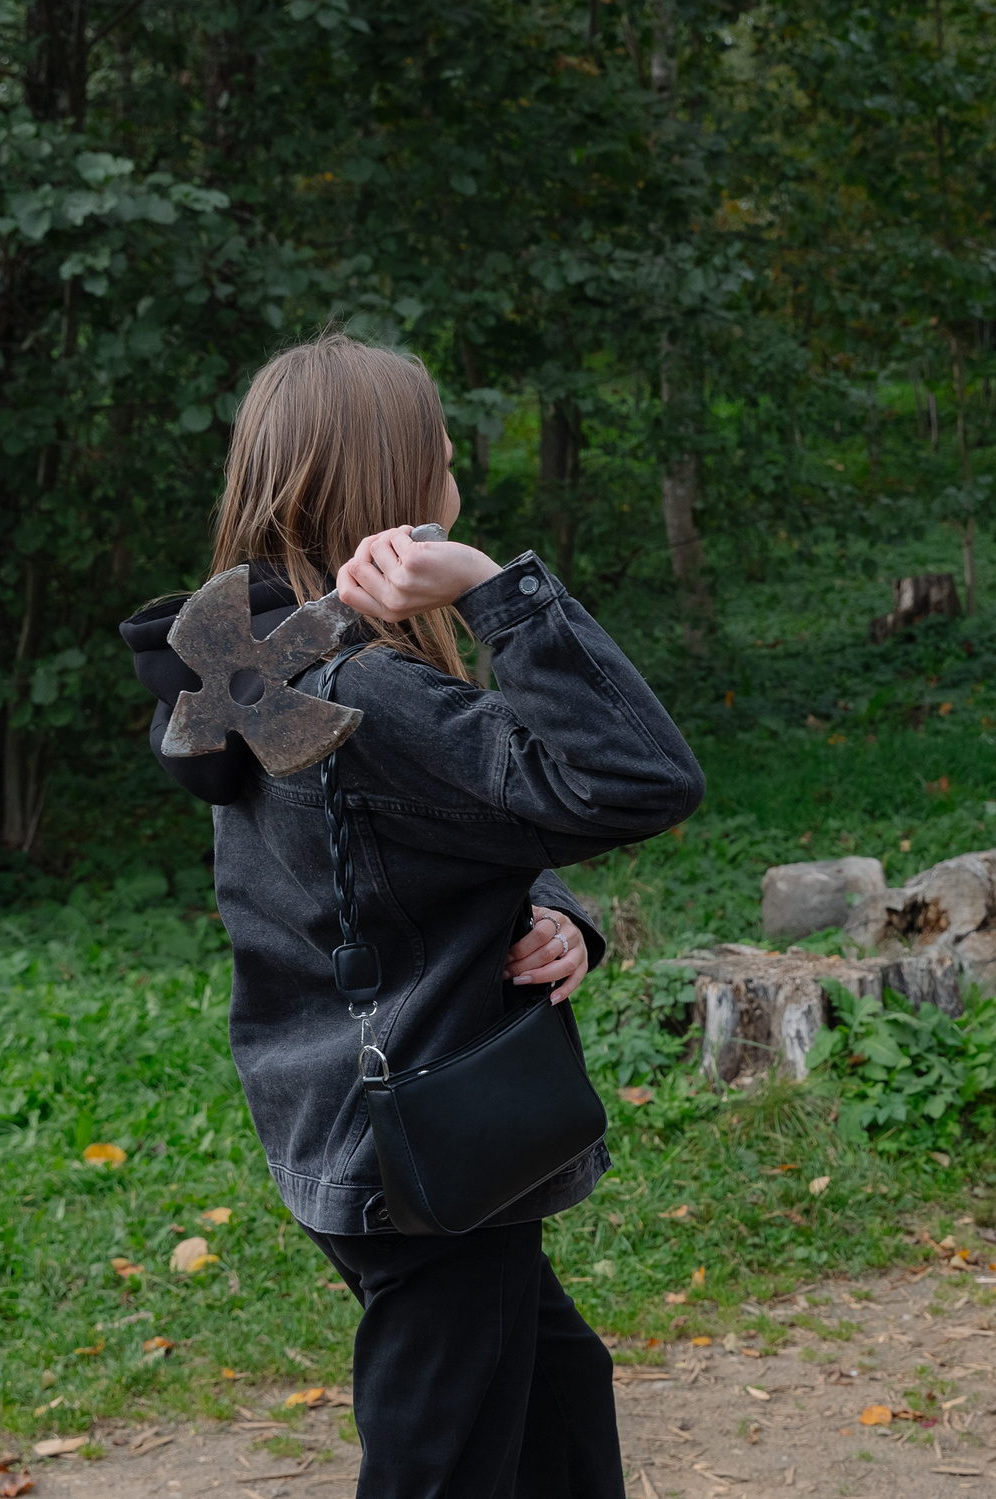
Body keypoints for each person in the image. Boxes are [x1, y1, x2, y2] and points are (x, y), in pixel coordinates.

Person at [120, 333, 703, 1498]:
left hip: (347, 1119)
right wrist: (498, 590)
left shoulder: (250, 669)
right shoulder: (366, 697)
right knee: (445, 1463)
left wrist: (554, 912)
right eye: (440, 457)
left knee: (553, 1394)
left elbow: (399, 847)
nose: (454, 476)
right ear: (395, 486)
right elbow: (642, 779)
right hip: (427, 1144)